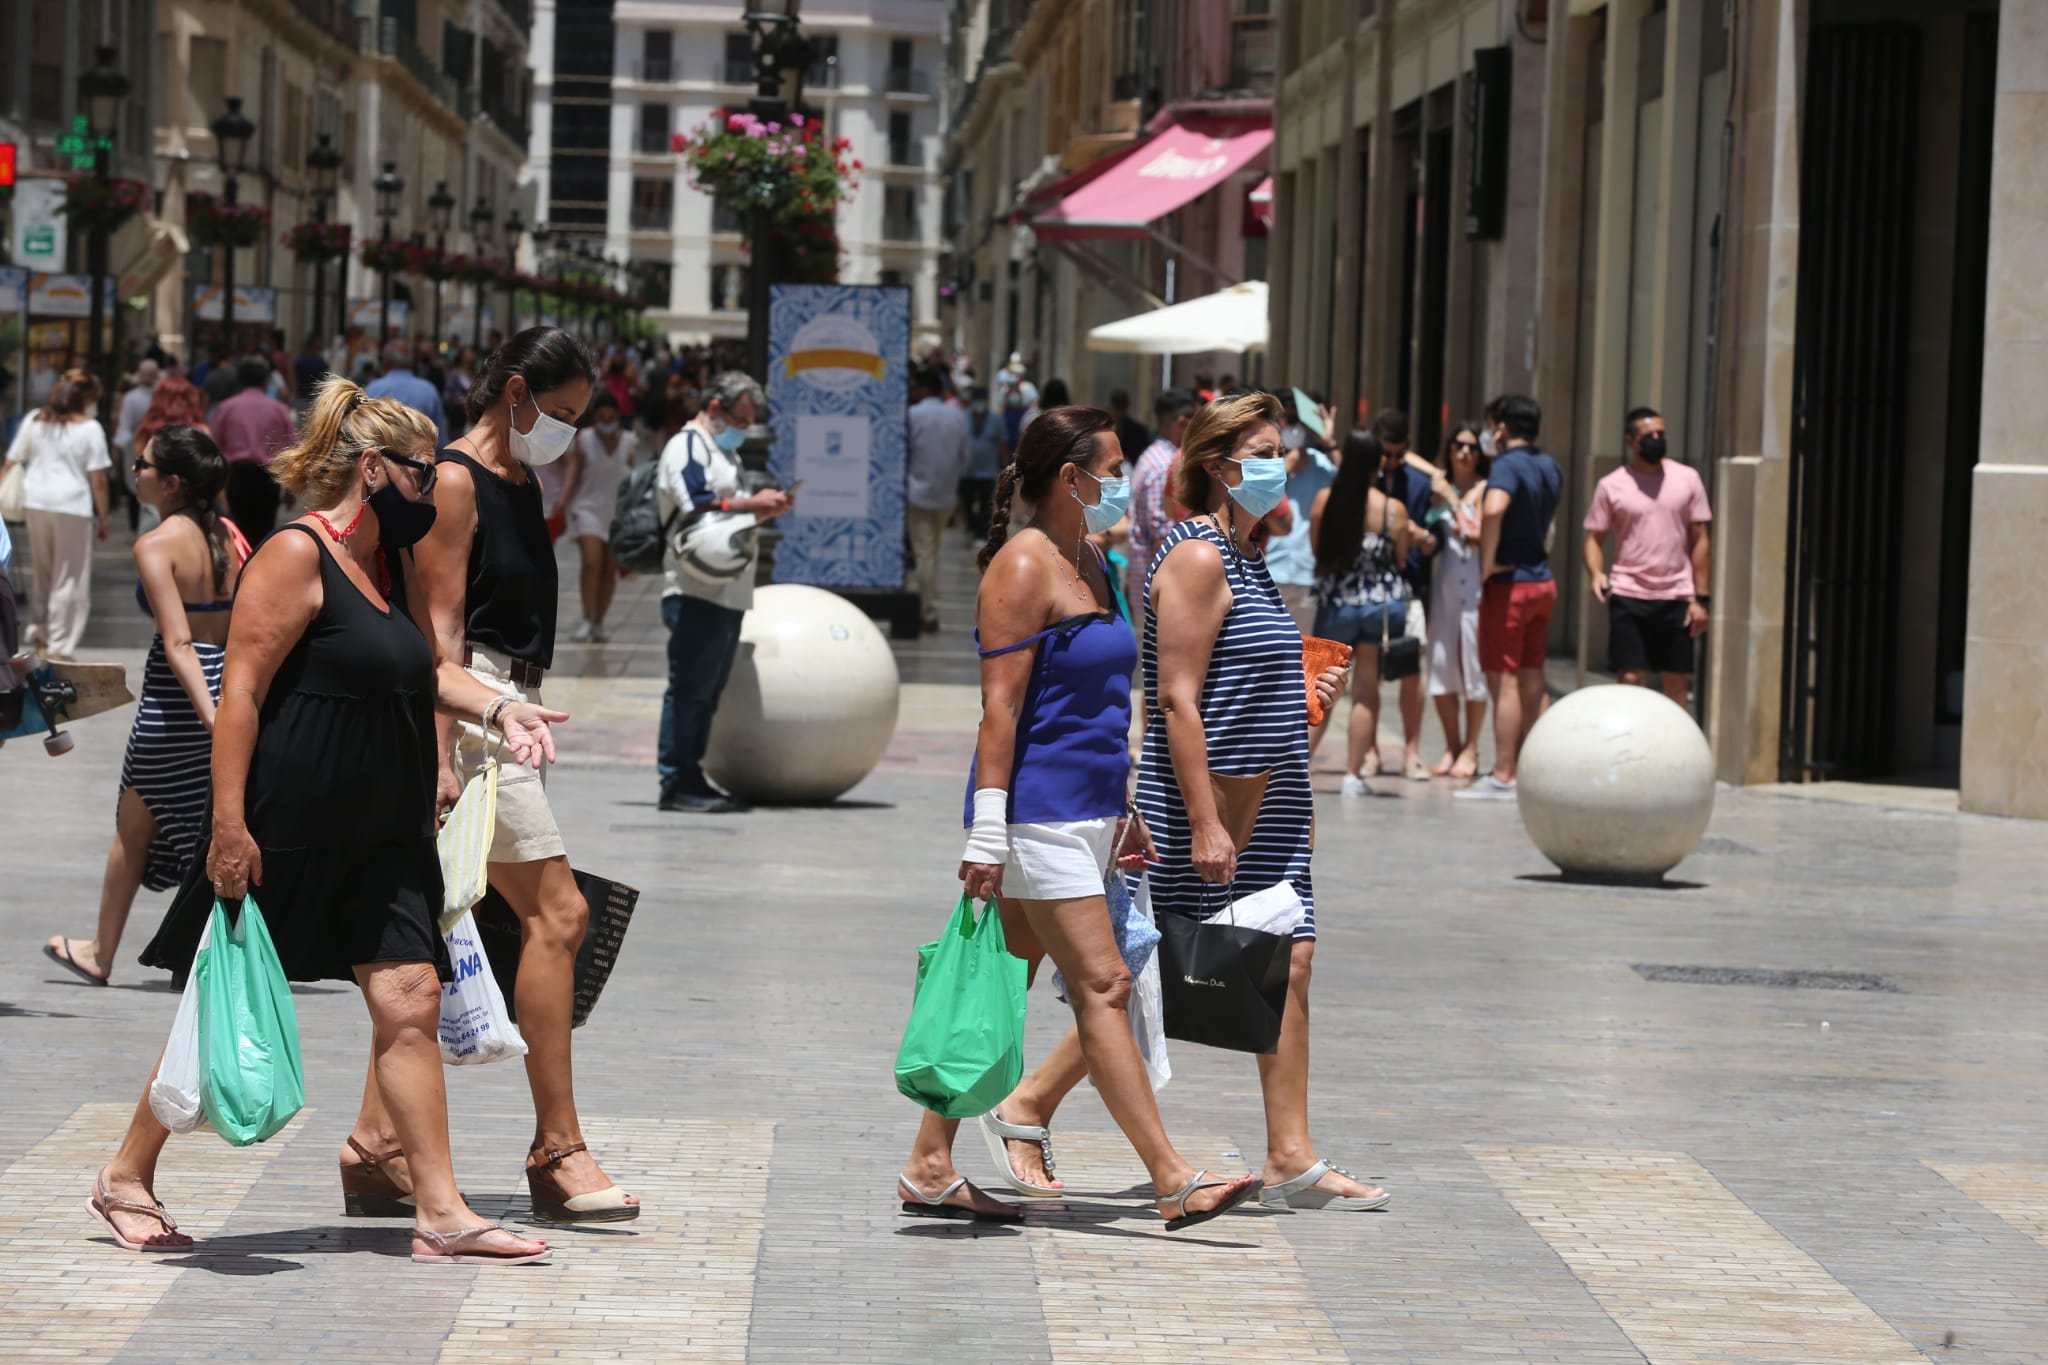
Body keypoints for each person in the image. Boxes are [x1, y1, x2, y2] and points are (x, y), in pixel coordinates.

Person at [98, 378, 561, 1265]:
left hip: (381, 831)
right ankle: (126, 1172)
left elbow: (429, 668)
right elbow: (241, 696)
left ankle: (441, 1212)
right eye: (425, 475)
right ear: (376, 467)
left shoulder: (392, 563)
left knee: (408, 998)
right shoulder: (294, 554)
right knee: (217, 1003)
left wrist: (502, 712)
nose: (435, 491)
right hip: (289, 829)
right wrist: (229, 826)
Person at [899, 405, 1266, 1232]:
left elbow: (1100, 705)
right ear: (1071, 478)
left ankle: (929, 1160)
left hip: (1093, 811)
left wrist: (1125, 806)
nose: (1121, 481)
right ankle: (1173, 1177)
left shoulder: (1092, 558)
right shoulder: (1023, 565)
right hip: (1034, 816)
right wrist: (986, 832)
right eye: (1110, 467)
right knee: (1105, 982)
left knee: (1011, 974)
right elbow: (1000, 712)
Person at [325, 327, 639, 1228]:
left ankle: (376, 1145)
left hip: (510, 707)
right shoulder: (456, 480)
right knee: (558, 913)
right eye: (562, 413)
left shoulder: (521, 479)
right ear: (514, 393)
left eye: (579, 418)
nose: (568, 432)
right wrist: (439, 752)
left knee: (445, 930)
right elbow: (440, 630)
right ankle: (557, 1148)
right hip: (470, 710)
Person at [1140, 390, 1392, 1212]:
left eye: (1281, 450)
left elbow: (1247, 684)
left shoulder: (1248, 553)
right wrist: (1207, 822)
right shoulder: (1197, 556)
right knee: (1174, 969)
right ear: (1216, 466)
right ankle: (1029, 1103)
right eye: (1262, 451)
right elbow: (1177, 699)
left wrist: (1307, 712)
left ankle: (1291, 1153)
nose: (1279, 466)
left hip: (1272, 797)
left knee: (1292, 963)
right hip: (1212, 801)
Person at [42, 428, 244, 986]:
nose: (134, 472)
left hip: (177, 700)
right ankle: (193, 954)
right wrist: (230, 707)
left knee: (136, 827)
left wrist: (208, 716)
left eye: (142, 464)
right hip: (226, 681)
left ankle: (104, 952)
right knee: (193, 822)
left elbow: (178, 641)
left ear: (171, 483)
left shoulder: (155, 545)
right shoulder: (230, 535)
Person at [657, 370, 792, 813]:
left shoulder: (721, 451)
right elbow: (695, 502)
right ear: (715, 407)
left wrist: (761, 511)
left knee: (707, 689)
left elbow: (726, 515)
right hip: (696, 588)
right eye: (741, 418)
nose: (744, 428)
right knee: (690, 687)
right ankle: (677, 781)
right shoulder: (687, 445)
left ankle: (692, 773)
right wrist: (754, 504)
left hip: (727, 589)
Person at [1458, 393, 1562, 801]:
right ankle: (1534, 769)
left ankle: (1504, 774)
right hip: (1542, 581)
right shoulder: (1550, 466)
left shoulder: (1507, 465)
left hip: (1510, 585)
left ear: (1501, 427)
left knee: (1503, 683)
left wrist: (1486, 563)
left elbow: (1495, 508)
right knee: (1533, 676)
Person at [1583, 406, 1712, 705]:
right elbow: (1593, 539)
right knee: (1629, 679)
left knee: (1677, 683)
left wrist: (1701, 598)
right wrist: (1596, 574)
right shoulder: (1611, 485)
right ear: (1630, 441)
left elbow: (1701, 539)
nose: (1656, 439)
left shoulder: (1688, 479)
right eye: (1648, 435)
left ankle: (1677, 749)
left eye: (1661, 434)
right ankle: (1630, 746)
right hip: (1629, 592)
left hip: (1677, 594)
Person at [1310, 431, 1414, 796]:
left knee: (1319, 689)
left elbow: (1318, 549)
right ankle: (1353, 776)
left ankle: (1297, 769)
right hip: (1379, 605)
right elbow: (1401, 559)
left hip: (1337, 603)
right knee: (1367, 692)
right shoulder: (1392, 509)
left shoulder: (1326, 500)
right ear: (1378, 463)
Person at [1, 369, 111, 659]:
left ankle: (40, 634)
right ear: (86, 399)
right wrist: (103, 517)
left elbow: (11, 461)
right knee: (69, 577)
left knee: (43, 572)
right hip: (72, 506)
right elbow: (98, 479)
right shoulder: (91, 428)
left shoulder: (35, 419)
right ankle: (59, 644)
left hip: (36, 502)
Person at [1371, 409, 1437, 779]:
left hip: (1407, 584)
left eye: (1399, 454)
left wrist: (1421, 537)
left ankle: (1412, 750)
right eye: (1386, 454)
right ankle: (1371, 751)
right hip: (1366, 587)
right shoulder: (1365, 479)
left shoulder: (1420, 485)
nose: (1392, 462)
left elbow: (1433, 540)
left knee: (1411, 670)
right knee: (1369, 673)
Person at [1425, 422, 1490, 779]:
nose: (1464, 452)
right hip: (1445, 588)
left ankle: (1472, 747)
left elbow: (1474, 534)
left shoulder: (1485, 490)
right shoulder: (1437, 489)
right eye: (1458, 446)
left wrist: (1450, 499)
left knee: (1474, 668)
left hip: (1475, 592)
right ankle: (1452, 745)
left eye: (1471, 447)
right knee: (1441, 665)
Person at [557, 390, 637, 642]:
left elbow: (634, 477)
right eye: (601, 417)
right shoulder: (585, 439)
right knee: (591, 564)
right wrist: (564, 501)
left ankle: (599, 621)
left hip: (617, 512)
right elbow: (575, 470)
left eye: (610, 416)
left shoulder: (630, 441)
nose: (606, 421)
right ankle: (586, 618)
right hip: (587, 507)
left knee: (609, 569)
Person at [905, 367, 970, 633]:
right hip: (946, 495)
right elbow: (965, 459)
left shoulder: (912, 415)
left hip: (917, 492)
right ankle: (930, 596)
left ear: (923, 389)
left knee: (924, 553)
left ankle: (927, 611)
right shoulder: (957, 417)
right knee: (932, 551)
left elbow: (904, 453)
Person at [1125, 389, 1196, 617]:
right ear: (1182, 422)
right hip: (1161, 582)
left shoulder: (1154, 456)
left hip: (1151, 580)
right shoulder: (1164, 464)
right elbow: (1163, 532)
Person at [211, 356, 296, 544]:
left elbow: (214, 446)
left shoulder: (227, 408)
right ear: (265, 380)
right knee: (264, 533)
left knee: (238, 533)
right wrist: (291, 488)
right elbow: (292, 448)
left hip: (238, 478)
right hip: (268, 480)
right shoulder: (279, 409)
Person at [1266, 421, 1338, 636]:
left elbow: (1353, 484)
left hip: (1306, 573)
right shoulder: (1266, 463)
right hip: (1268, 570)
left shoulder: (1321, 463)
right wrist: (1283, 470)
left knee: (1302, 652)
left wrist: (1330, 443)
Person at [366, 339, 450, 444]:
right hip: (421, 457)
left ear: (386, 362)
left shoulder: (373, 389)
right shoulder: (428, 391)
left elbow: (364, 434)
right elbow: (440, 437)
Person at [113, 360, 162, 530]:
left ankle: (139, 526)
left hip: (142, 445)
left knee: (139, 484)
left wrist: (120, 448)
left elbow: (124, 427)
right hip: (151, 445)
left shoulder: (134, 397)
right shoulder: (157, 396)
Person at [958, 384, 1006, 539]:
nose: (979, 403)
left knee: (986, 502)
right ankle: (971, 526)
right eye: (976, 400)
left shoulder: (996, 420)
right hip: (966, 469)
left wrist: (1006, 466)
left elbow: (1002, 444)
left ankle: (981, 532)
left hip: (988, 470)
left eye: (982, 399)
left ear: (987, 400)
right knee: (967, 500)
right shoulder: (962, 418)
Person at [293, 334, 328, 412]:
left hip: (301, 398)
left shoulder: (299, 361)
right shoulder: (321, 362)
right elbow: (325, 381)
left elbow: (295, 380)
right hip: (315, 399)